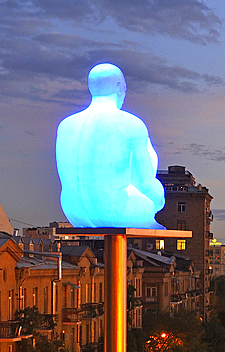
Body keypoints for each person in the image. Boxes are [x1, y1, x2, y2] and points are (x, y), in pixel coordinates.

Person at [55, 63, 165, 229]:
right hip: (121, 212)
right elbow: (146, 185)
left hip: (73, 212)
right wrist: (159, 201)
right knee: (147, 155)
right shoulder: (131, 124)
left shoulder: (65, 125)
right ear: (119, 87)